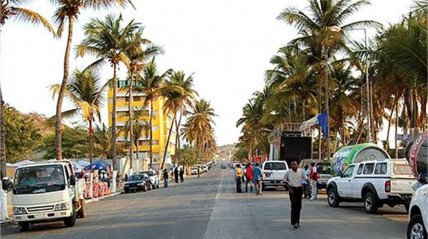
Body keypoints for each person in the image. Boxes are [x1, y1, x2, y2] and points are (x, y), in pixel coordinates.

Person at [283, 161, 307, 229]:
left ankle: (297, 220)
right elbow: (284, 181)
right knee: (294, 205)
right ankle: (294, 222)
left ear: (297, 165)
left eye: (295, 165)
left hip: (299, 189)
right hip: (292, 189)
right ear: (291, 166)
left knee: (299, 206)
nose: (294, 166)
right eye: (292, 165)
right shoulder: (288, 172)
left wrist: (309, 185)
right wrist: (289, 189)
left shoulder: (301, 171)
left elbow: (305, 178)